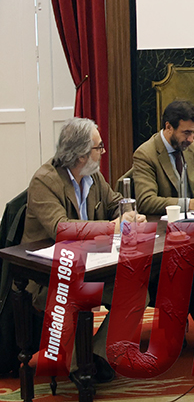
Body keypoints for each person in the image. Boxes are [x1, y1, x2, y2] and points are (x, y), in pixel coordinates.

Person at [24, 117, 145, 383]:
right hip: (50, 277)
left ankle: (99, 355)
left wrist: (129, 215)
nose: (103, 151)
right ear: (80, 154)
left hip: (92, 268)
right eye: (98, 147)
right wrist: (111, 227)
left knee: (136, 292)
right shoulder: (44, 181)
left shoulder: (93, 175)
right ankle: (78, 366)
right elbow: (60, 227)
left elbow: (115, 203)